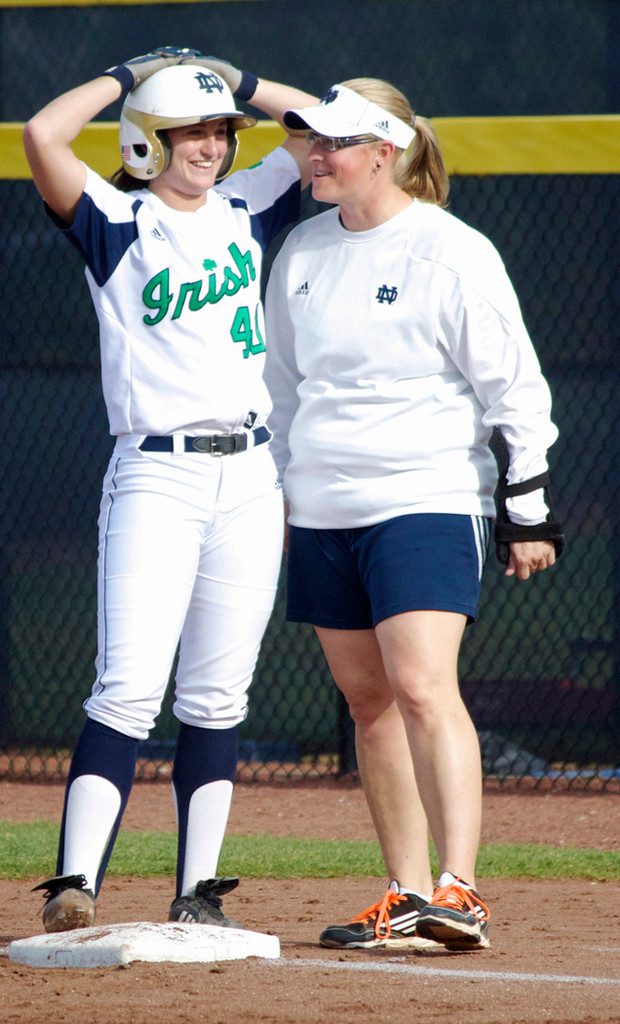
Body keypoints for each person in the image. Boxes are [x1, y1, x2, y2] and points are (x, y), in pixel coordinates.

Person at [264, 79, 563, 952]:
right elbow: (281, 389)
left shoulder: (450, 249)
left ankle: (459, 889)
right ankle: (402, 891)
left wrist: (528, 509)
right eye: (312, 140)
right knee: (367, 702)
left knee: (425, 687)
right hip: (324, 502)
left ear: (385, 150)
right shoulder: (302, 251)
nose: (317, 156)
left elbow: (517, 390)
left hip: (426, 494)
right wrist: (282, 490)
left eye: (336, 143)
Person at [23, 47, 315, 933]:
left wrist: (241, 81)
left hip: (251, 476)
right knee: (128, 689)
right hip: (157, 472)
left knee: (219, 697)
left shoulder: (249, 203)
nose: (213, 146)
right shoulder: (115, 216)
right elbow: (42, 132)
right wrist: (124, 74)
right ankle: (75, 886)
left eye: (220, 131)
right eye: (191, 130)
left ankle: (198, 894)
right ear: (146, 140)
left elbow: (319, 127)